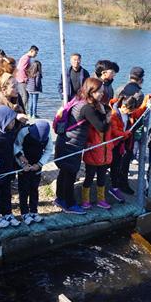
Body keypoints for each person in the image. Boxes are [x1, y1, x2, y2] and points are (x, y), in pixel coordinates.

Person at [54, 77, 110, 215]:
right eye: (99, 92)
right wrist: (106, 115)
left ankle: (60, 199)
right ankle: (70, 204)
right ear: (91, 91)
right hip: (71, 146)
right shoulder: (87, 108)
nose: (102, 94)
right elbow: (101, 127)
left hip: (64, 141)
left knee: (64, 172)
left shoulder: (78, 100)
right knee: (70, 175)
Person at [81, 95, 126, 210]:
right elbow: (85, 138)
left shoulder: (110, 125)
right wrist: (89, 145)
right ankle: (85, 200)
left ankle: (101, 200)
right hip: (92, 156)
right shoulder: (93, 125)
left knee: (102, 179)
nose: (111, 117)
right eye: (109, 115)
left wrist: (124, 135)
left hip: (105, 157)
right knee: (89, 178)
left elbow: (114, 134)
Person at [14, 120, 53, 223]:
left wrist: (40, 164)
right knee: (24, 190)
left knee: (34, 189)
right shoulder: (24, 132)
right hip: (23, 166)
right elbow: (16, 146)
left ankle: (34, 211)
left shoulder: (47, 135)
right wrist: (22, 162)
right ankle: (24, 213)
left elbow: (49, 150)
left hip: (37, 166)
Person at [16, 45, 39, 109]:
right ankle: (22, 111)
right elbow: (21, 69)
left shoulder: (26, 58)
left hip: (20, 79)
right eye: (35, 53)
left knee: (25, 96)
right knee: (25, 97)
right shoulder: (26, 58)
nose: (36, 54)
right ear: (31, 51)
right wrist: (25, 79)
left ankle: (23, 110)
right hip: (22, 80)